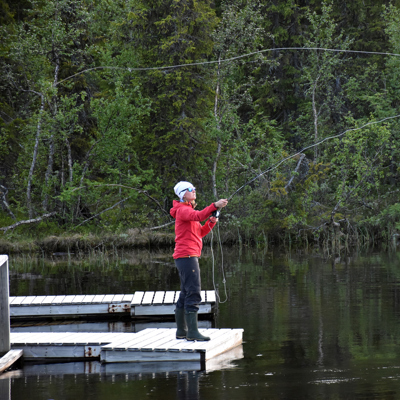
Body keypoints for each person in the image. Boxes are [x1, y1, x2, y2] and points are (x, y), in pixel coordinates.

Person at [170, 181, 228, 341]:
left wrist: (211, 221)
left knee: (185, 292)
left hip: (187, 256)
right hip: (186, 256)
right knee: (194, 292)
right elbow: (199, 215)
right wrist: (214, 205)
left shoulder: (187, 211)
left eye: (194, 188)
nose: (194, 190)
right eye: (190, 189)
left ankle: (182, 331)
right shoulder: (182, 210)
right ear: (183, 194)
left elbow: (200, 233)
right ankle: (192, 333)